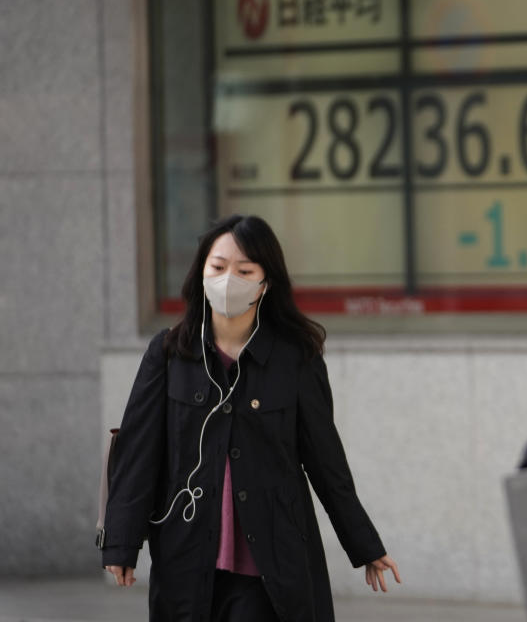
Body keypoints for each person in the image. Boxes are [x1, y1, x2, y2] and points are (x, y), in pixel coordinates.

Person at [100, 214, 401, 621]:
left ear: (265, 282)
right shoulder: (170, 353)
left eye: (244, 270)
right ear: (201, 274)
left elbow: (326, 462)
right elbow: (138, 453)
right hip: (187, 556)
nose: (229, 280)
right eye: (218, 267)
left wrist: (365, 545)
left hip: (271, 562)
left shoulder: (295, 358)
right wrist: (122, 542)